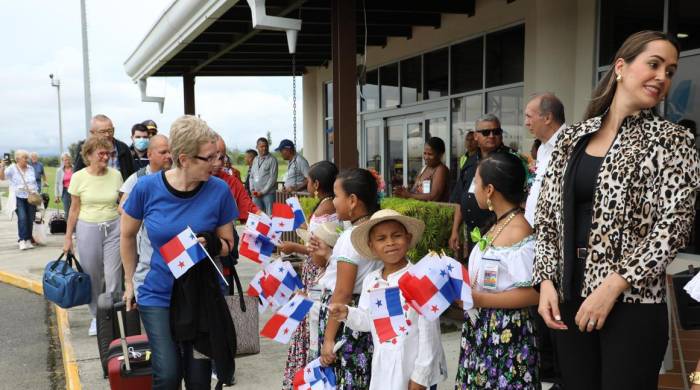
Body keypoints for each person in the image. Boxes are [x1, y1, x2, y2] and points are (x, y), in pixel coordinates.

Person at [534, 31, 700, 390]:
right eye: (654, 64)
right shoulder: (571, 138)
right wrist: (546, 281)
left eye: (670, 71)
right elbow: (547, 220)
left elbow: (673, 230)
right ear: (621, 68)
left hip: (632, 302)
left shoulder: (672, 141)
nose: (662, 77)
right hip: (569, 295)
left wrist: (611, 288)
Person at [121, 115, 239, 389]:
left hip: (201, 296)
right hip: (157, 293)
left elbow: (229, 245)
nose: (216, 163)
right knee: (168, 373)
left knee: (199, 380)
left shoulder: (219, 190)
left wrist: (210, 243)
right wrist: (129, 283)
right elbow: (126, 236)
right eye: (208, 158)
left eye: (217, 156)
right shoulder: (146, 189)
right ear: (184, 159)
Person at [329, 209, 447, 390]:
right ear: (371, 246)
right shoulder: (372, 280)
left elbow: (430, 334)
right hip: (383, 368)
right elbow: (369, 322)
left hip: (413, 368)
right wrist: (347, 313)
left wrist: (421, 377)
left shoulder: (420, 278)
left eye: (396, 236)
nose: (390, 243)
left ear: (408, 239)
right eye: (381, 238)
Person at [455, 152, 540, 389]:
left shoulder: (518, 229)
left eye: (477, 183)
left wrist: (480, 298)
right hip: (485, 328)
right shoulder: (499, 224)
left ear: (490, 189)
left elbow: (535, 292)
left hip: (507, 333)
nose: (474, 189)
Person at [312, 168, 382, 389]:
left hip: (345, 321)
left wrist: (329, 340)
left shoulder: (351, 237)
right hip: (364, 315)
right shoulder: (373, 229)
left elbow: (342, 291)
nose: (333, 202)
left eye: (336, 196)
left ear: (352, 200)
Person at [280, 161, 339, 390]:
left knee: (310, 325)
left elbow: (319, 248)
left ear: (315, 183)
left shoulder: (326, 208)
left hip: (317, 272)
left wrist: (294, 248)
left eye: (308, 179)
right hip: (315, 269)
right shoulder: (327, 204)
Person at [63, 136, 124, 336]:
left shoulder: (116, 175)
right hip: (87, 228)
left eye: (109, 153)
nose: (106, 157)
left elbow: (122, 203)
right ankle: (97, 317)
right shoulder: (79, 176)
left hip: (114, 227)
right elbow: (74, 209)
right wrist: (68, 238)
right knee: (92, 275)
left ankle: (113, 314)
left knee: (114, 275)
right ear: (89, 155)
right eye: (101, 153)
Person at [449, 114, 511, 256]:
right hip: (474, 234)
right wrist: (455, 231)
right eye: (486, 132)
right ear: (476, 136)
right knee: (476, 275)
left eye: (496, 132)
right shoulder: (469, 161)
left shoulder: (510, 161)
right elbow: (460, 198)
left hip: (499, 234)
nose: (491, 136)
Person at [524, 93, 566, 226]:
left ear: (547, 118)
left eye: (529, 116)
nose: (526, 123)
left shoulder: (569, 146)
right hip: (534, 232)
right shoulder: (542, 148)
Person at [118, 134, 171, 214]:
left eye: (170, 152)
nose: (169, 156)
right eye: (163, 152)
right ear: (149, 155)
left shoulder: (178, 176)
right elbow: (122, 208)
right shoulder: (137, 178)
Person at [74, 114, 136, 181]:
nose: (107, 134)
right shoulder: (85, 147)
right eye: (102, 132)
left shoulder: (123, 148)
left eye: (110, 131)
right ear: (92, 133)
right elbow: (77, 173)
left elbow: (131, 174)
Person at [212, 135, 258, 222]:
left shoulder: (231, 181)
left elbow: (249, 207)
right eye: (213, 156)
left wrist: (267, 220)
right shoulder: (189, 181)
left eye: (222, 158)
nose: (219, 163)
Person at [0, 150, 39, 250]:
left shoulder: (30, 168)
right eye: (24, 158)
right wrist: (2, 167)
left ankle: (28, 239)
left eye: (27, 158)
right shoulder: (12, 168)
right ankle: (22, 240)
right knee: (22, 218)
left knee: (30, 218)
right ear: (18, 159)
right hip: (18, 197)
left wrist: (35, 191)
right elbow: (2, 178)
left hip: (30, 197)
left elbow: (34, 182)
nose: (27, 160)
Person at [393, 137, 450, 202]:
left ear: (440, 154)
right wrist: (403, 192)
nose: (426, 157)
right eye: (425, 153)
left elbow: (434, 197)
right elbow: (415, 190)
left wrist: (409, 195)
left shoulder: (441, 169)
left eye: (430, 154)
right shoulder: (424, 168)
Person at [249, 137, 278, 214]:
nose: (264, 148)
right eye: (262, 146)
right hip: (256, 194)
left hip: (268, 194)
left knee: (270, 215)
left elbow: (273, 178)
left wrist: (263, 192)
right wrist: (252, 189)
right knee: (257, 214)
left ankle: (270, 226)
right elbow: (251, 176)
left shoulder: (272, 160)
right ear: (257, 147)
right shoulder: (255, 159)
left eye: (266, 146)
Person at [54, 152, 74, 220]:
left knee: (75, 210)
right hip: (65, 192)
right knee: (67, 211)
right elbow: (56, 183)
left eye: (68, 159)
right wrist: (56, 196)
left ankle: (76, 228)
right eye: (65, 160)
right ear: (62, 161)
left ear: (71, 160)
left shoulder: (75, 168)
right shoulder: (59, 170)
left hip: (74, 191)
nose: (67, 161)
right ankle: (68, 228)